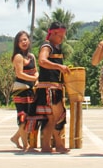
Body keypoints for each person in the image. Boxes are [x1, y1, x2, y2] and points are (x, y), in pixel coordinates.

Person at [34, 21, 70, 153]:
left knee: (51, 118)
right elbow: (42, 61)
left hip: (53, 87)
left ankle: (46, 146)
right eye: (60, 36)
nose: (62, 38)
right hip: (50, 88)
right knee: (58, 115)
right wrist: (59, 66)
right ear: (53, 33)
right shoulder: (47, 46)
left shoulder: (55, 47)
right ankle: (58, 144)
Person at [10, 30, 39, 151]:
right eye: (21, 40)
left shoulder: (31, 56)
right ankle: (25, 145)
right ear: (17, 43)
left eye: (25, 39)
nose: (23, 42)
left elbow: (36, 70)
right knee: (22, 117)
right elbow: (19, 74)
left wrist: (36, 78)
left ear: (29, 40)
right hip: (20, 89)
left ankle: (16, 137)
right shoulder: (18, 57)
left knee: (29, 117)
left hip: (30, 89)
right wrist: (33, 78)